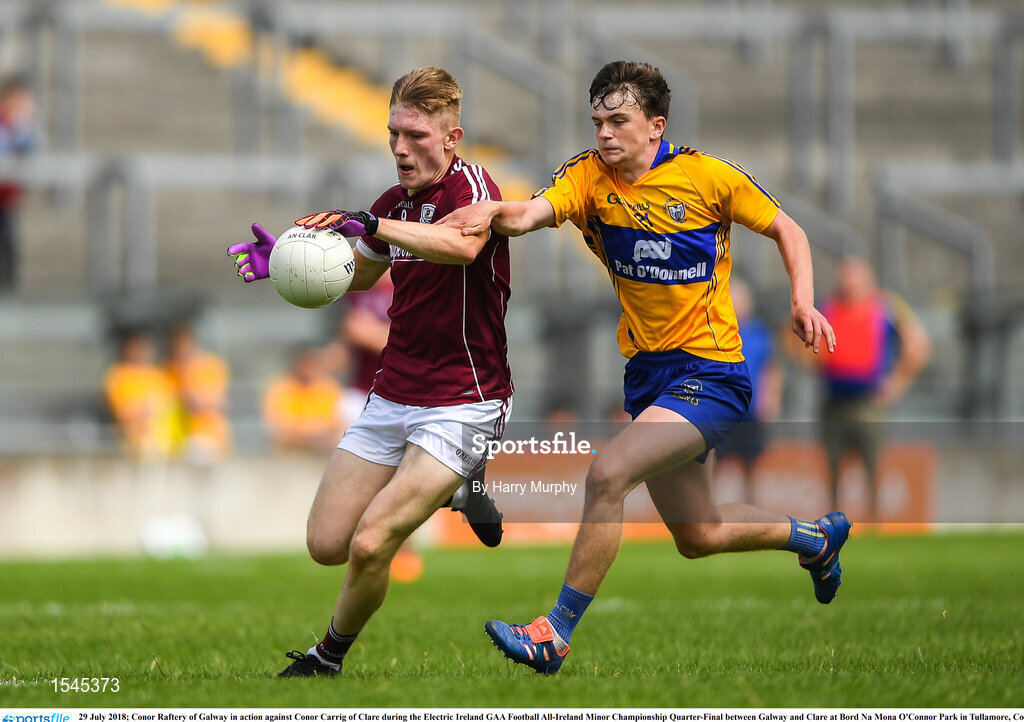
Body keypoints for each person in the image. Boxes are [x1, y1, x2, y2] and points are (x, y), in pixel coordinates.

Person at [442, 60, 844, 674]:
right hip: (650, 374)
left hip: (712, 372)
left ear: (655, 126)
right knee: (699, 535)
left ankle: (553, 634)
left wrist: (802, 299)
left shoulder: (707, 177)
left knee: (607, 476)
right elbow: (527, 216)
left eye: (619, 121)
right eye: (598, 120)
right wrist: (489, 212)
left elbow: (789, 230)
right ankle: (812, 537)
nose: (604, 134)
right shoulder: (586, 177)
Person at [226, 67, 511, 677]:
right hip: (394, 392)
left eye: (415, 135)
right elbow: (357, 274)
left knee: (370, 542)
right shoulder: (392, 204)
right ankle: (459, 486)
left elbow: (461, 245)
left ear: (452, 137)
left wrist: (373, 226)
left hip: (466, 398)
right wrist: (287, 261)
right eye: (392, 134)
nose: (400, 148)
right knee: (326, 544)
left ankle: (325, 658)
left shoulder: (474, 188)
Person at [819, 255, 930, 521]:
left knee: (872, 464)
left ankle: (874, 521)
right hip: (834, 399)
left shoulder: (885, 307)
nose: (846, 281)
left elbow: (918, 345)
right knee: (833, 465)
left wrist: (896, 383)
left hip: (868, 401)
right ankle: (833, 523)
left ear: (867, 278)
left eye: (852, 274)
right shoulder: (828, 306)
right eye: (843, 274)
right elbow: (794, 340)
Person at [715, 277, 783, 503]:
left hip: (751, 412)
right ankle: (706, 513)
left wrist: (771, 400)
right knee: (714, 465)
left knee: (751, 466)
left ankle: (752, 513)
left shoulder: (760, 334)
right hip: (722, 413)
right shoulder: (715, 332)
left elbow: (771, 369)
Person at [104, 330, 180, 461]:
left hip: (163, 443)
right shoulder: (119, 375)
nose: (141, 352)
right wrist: (147, 408)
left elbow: (171, 407)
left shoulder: (160, 376)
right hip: (133, 444)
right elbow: (122, 412)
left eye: (144, 347)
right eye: (136, 348)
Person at [165, 323, 232, 464]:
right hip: (180, 439)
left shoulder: (211, 365)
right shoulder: (171, 371)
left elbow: (216, 403)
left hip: (210, 437)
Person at [263, 345, 346, 453]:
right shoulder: (281, 387)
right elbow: (277, 427)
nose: (308, 368)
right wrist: (311, 430)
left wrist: (301, 430)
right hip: (289, 450)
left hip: (321, 449)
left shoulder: (329, 387)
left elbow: (334, 424)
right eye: (305, 363)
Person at [0, 75, 39, 293]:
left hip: (7, 198)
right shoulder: (4, 127)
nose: (27, 107)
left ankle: (8, 290)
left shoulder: (22, 129)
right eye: (22, 101)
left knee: (9, 245)